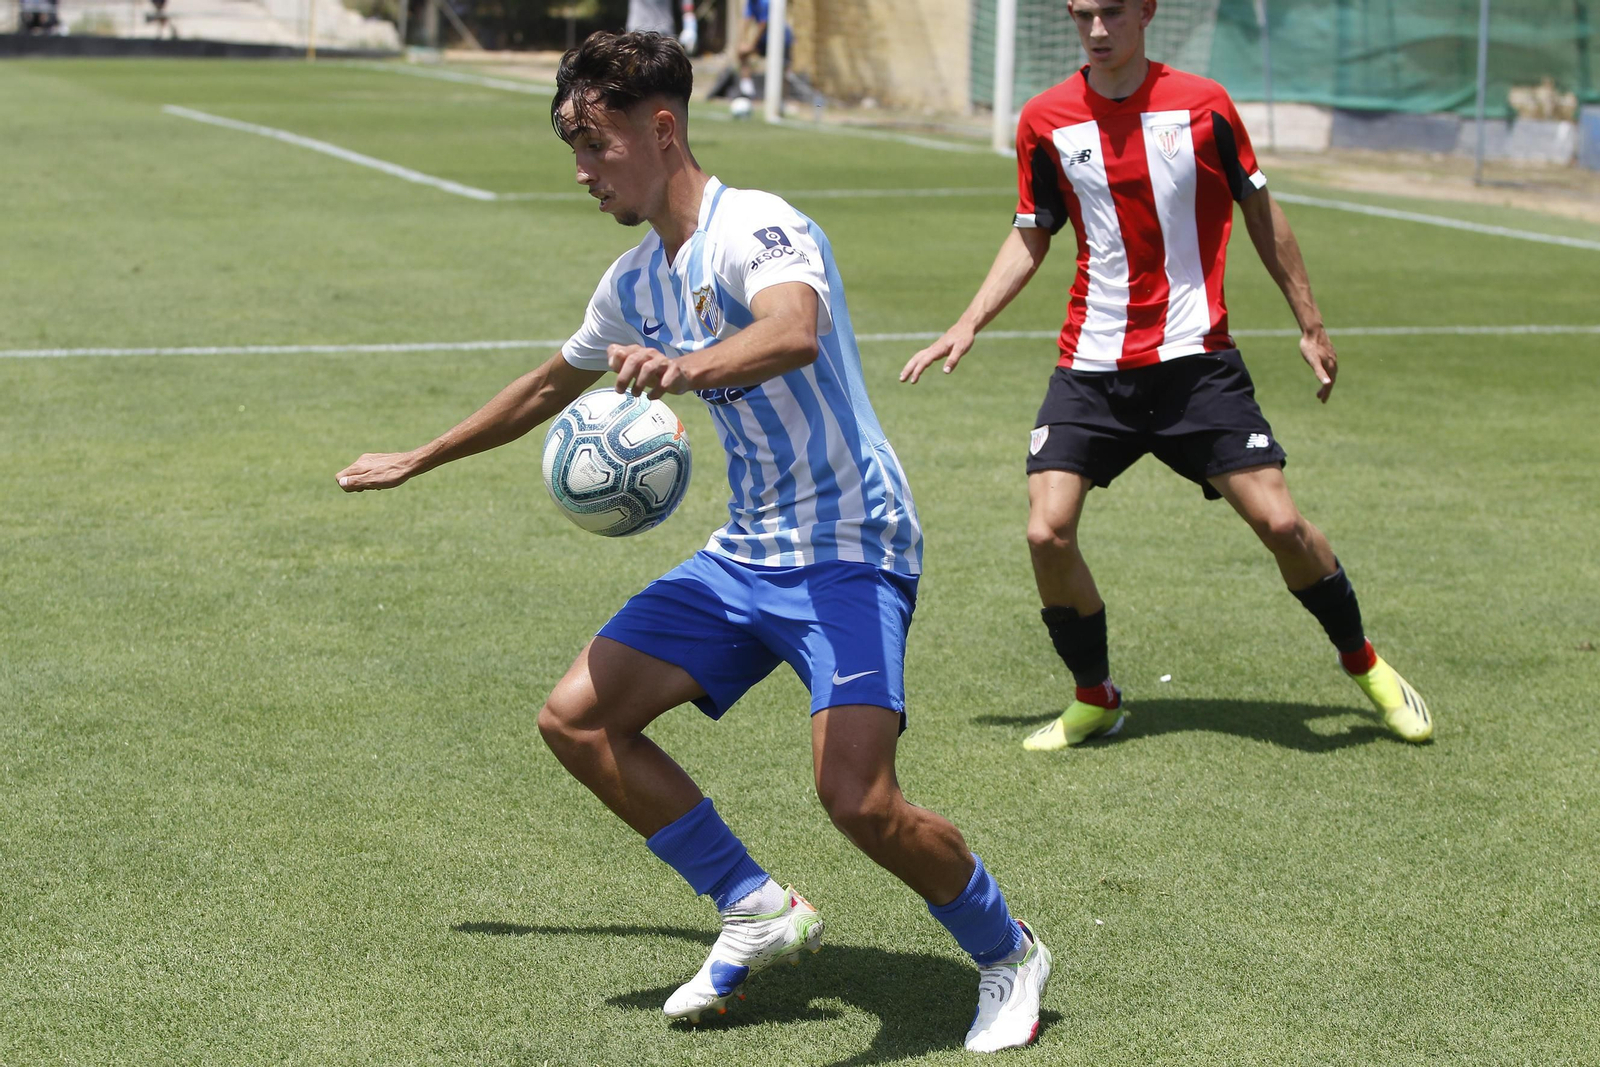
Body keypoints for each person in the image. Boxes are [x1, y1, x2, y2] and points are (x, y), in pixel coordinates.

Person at [336, 31, 1050, 1054]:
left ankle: (1007, 949)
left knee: (858, 800)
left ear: (662, 129)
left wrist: (686, 367)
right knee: (577, 719)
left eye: (597, 146)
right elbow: (546, 386)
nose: (583, 172)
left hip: (852, 543)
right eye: (574, 150)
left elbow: (793, 329)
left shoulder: (756, 227)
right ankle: (754, 905)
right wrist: (419, 456)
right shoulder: (634, 280)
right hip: (749, 549)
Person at [900, 0, 1432, 750]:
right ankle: (1095, 698)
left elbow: (1260, 211)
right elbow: (1032, 230)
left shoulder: (1205, 105)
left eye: (1112, 12)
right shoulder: (1045, 119)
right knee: (1046, 532)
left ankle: (1365, 662)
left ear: (1146, 11)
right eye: (1082, 14)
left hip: (1196, 361)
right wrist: (968, 321)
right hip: (1093, 365)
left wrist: (1310, 323)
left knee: (1281, 524)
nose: (1096, 30)